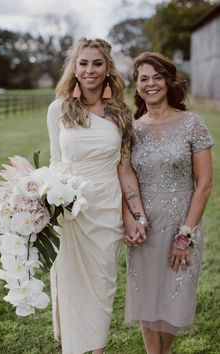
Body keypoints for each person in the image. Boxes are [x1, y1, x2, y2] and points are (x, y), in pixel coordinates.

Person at [46, 37, 146, 354]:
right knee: (73, 289)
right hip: (69, 212)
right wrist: (44, 199)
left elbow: (125, 168)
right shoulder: (58, 110)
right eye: (83, 63)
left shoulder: (120, 113)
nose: (90, 70)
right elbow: (55, 161)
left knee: (102, 289)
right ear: (74, 68)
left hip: (106, 211)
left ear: (107, 70)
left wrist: (134, 214)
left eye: (97, 63)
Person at [123, 52, 214, 354]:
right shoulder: (131, 130)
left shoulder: (192, 124)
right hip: (145, 229)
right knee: (148, 301)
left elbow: (204, 185)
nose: (151, 84)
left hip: (181, 227)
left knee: (174, 300)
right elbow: (125, 180)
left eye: (156, 77)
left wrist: (184, 235)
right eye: (143, 79)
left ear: (168, 80)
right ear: (136, 86)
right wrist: (134, 219)